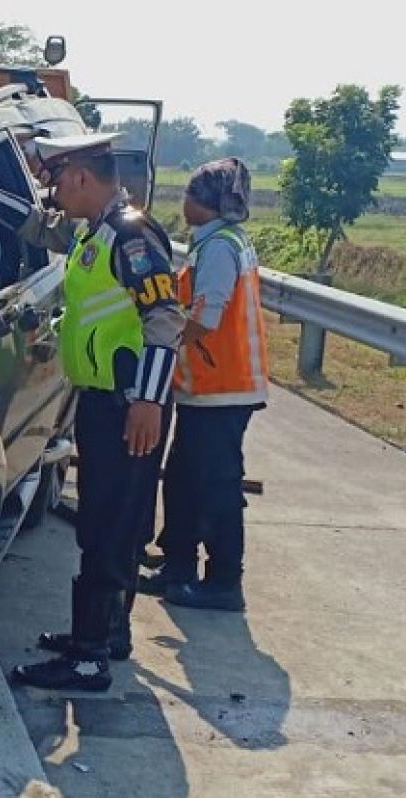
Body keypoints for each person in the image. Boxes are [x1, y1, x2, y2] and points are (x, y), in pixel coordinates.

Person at [0, 133, 185, 691]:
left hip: (128, 406)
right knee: (112, 521)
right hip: (106, 401)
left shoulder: (131, 236)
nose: (53, 192)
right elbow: (40, 227)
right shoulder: (96, 231)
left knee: (105, 525)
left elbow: (165, 318)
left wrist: (147, 400)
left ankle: (89, 658)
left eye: (56, 181)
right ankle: (107, 635)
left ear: (79, 176)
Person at [152, 157, 269, 612]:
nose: (182, 202)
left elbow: (207, 316)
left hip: (223, 387)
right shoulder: (217, 241)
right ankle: (177, 564)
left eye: (187, 194)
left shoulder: (219, 246)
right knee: (182, 478)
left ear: (204, 203)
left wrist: (167, 341)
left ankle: (223, 581)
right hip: (208, 387)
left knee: (216, 485)